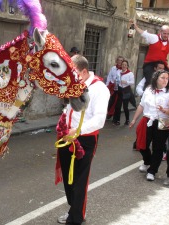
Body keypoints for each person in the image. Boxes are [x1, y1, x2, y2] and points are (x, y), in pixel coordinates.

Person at [55, 55, 109, 225]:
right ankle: (73, 208)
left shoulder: (100, 89)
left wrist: (77, 131)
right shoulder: (75, 85)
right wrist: (64, 121)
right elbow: (70, 109)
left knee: (79, 180)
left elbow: (99, 120)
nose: (69, 77)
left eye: (73, 73)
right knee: (68, 177)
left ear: (84, 71)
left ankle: (76, 218)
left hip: (84, 140)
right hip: (67, 136)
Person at [129, 70, 169, 181]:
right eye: (162, 78)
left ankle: (152, 171)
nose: (165, 80)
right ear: (156, 79)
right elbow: (141, 105)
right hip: (147, 120)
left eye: (167, 78)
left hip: (162, 121)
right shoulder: (148, 90)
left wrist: (166, 110)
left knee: (158, 147)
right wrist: (134, 119)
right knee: (141, 144)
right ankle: (147, 161)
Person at [132, 20, 169, 92]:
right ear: (160, 32)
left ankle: (167, 93)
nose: (166, 35)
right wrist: (136, 27)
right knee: (150, 79)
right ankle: (148, 93)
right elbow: (144, 34)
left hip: (162, 63)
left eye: (168, 34)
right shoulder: (154, 38)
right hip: (150, 63)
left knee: (167, 79)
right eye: (164, 33)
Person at [112, 60, 135, 126]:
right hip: (119, 90)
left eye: (125, 65)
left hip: (126, 90)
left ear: (127, 66)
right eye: (123, 64)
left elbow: (132, 82)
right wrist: (115, 81)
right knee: (118, 106)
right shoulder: (118, 72)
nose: (124, 66)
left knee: (125, 106)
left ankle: (127, 120)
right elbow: (116, 79)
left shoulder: (130, 73)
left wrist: (126, 82)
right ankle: (118, 120)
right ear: (121, 65)